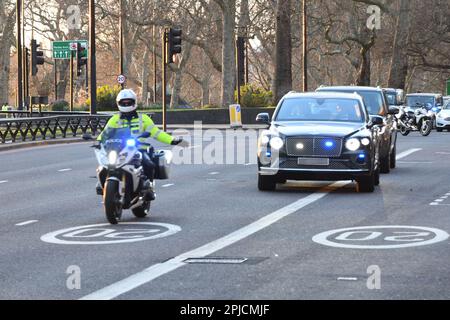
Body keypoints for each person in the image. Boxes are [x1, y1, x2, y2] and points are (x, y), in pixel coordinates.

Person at [95, 89, 188, 199]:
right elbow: (105, 133)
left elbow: (157, 133)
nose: (126, 104)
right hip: (119, 149)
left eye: (128, 102)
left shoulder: (143, 119)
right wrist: (98, 141)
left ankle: (148, 188)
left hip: (139, 148)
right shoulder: (114, 119)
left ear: (134, 102)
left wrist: (173, 140)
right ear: (118, 103)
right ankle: (104, 185)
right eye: (123, 103)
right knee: (104, 165)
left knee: (149, 164)